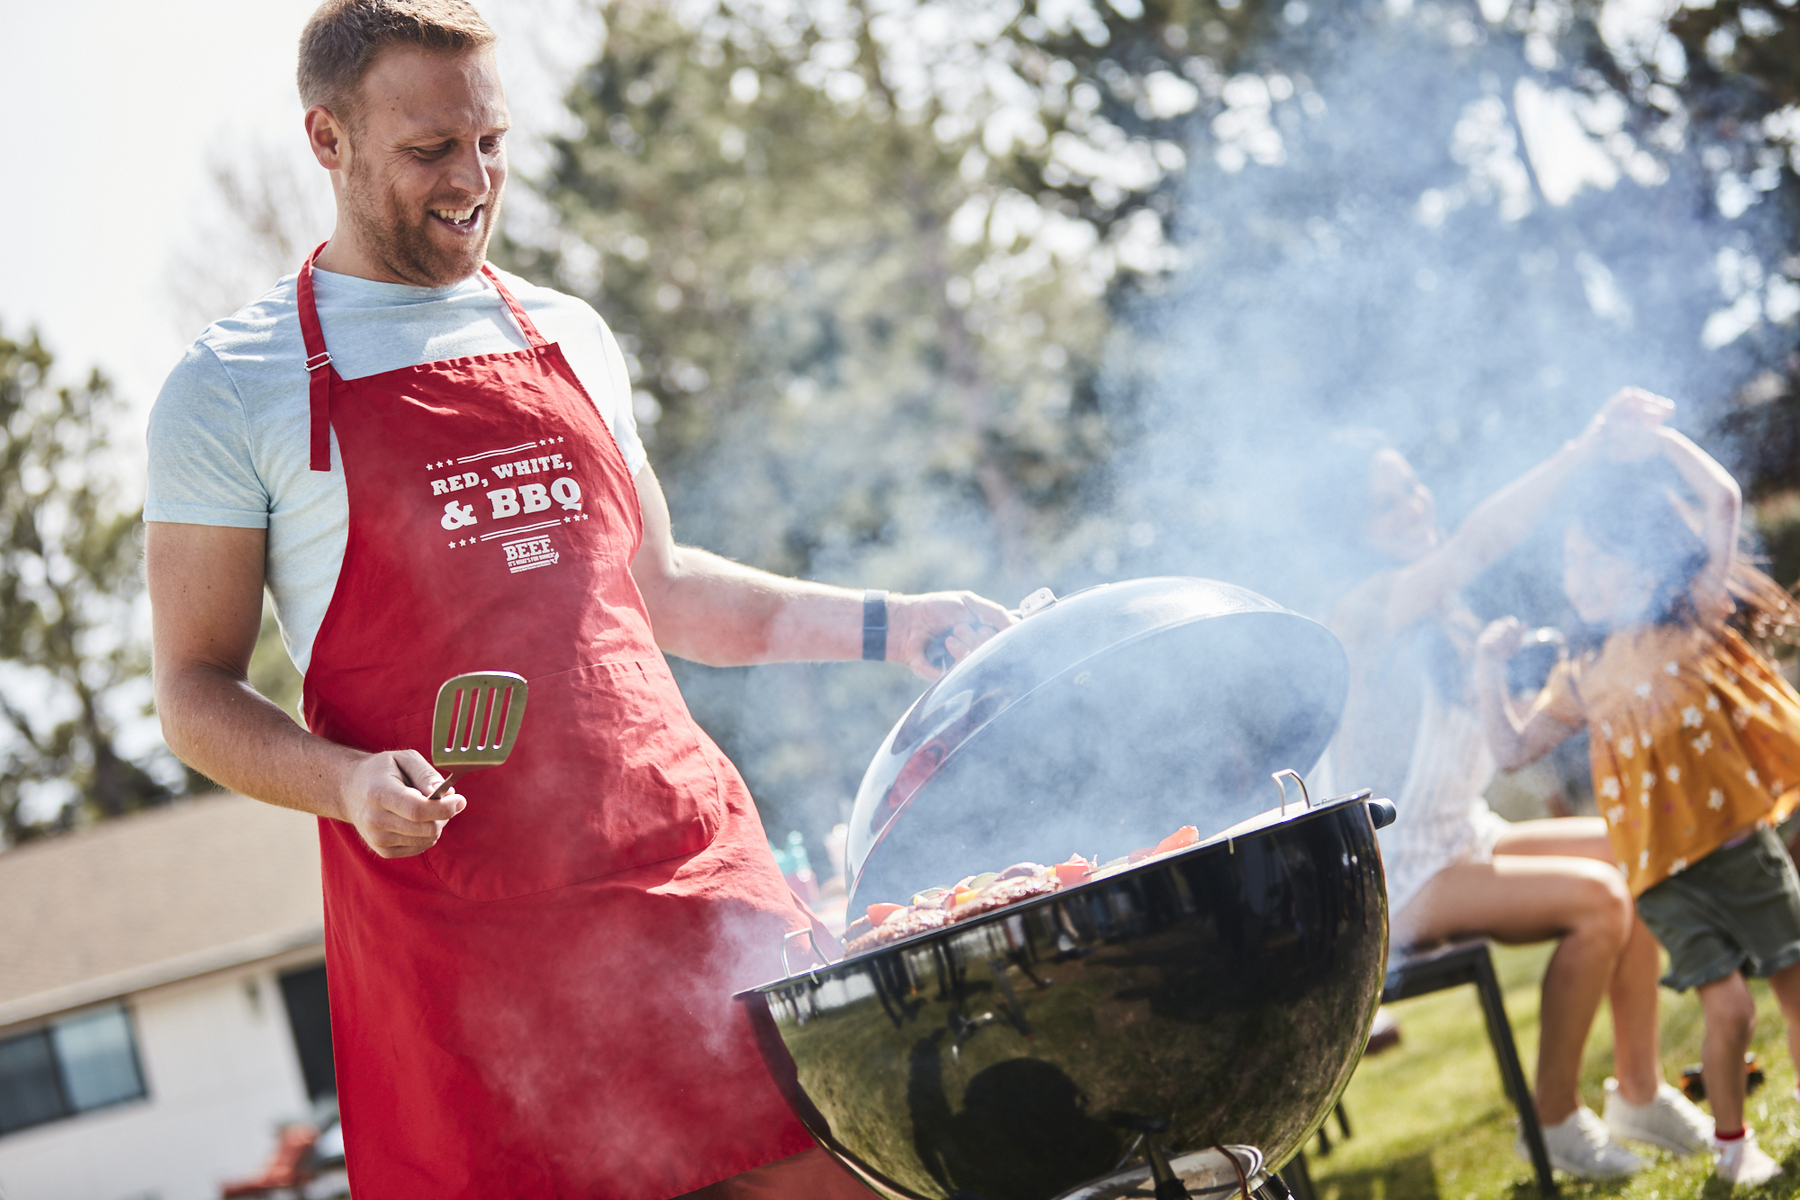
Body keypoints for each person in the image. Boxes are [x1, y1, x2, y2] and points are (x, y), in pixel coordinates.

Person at [142, 3, 1012, 1196]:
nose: (473, 180)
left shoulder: (568, 333)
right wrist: (343, 782)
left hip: (687, 873)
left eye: (490, 141)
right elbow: (192, 692)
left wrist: (893, 625)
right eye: (430, 150)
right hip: (463, 937)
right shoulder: (232, 388)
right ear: (326, 140)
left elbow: (663, 591)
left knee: (858, 1167)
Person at [1317, 389, 1711, 1180]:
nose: (1411, 505)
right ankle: (1556, 1122)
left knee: (1638, 846)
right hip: (1392, 875)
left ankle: (1639, 1090)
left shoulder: (1447, 616)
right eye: (1384, 503)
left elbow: (1507, 744)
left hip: (1461, 835)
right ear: (1350, 532)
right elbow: (1476, 541)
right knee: (1600, 898)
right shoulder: (1363, 609)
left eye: (1411, 486)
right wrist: (1580, 449)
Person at [1474, 394, 1800, 1187]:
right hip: (1667, 880)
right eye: (1570, 563)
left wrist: (1659, 440)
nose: (1574, 577)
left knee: (1795, 991)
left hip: (1745, 855)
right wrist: (1488, 670)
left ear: (1647, 561)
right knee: (1729, 1011)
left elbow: (1721, 499)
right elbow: (1513, 751)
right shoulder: (1581, 674)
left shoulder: (1692, 616)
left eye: (1594, 560)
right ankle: (1730, 1146)